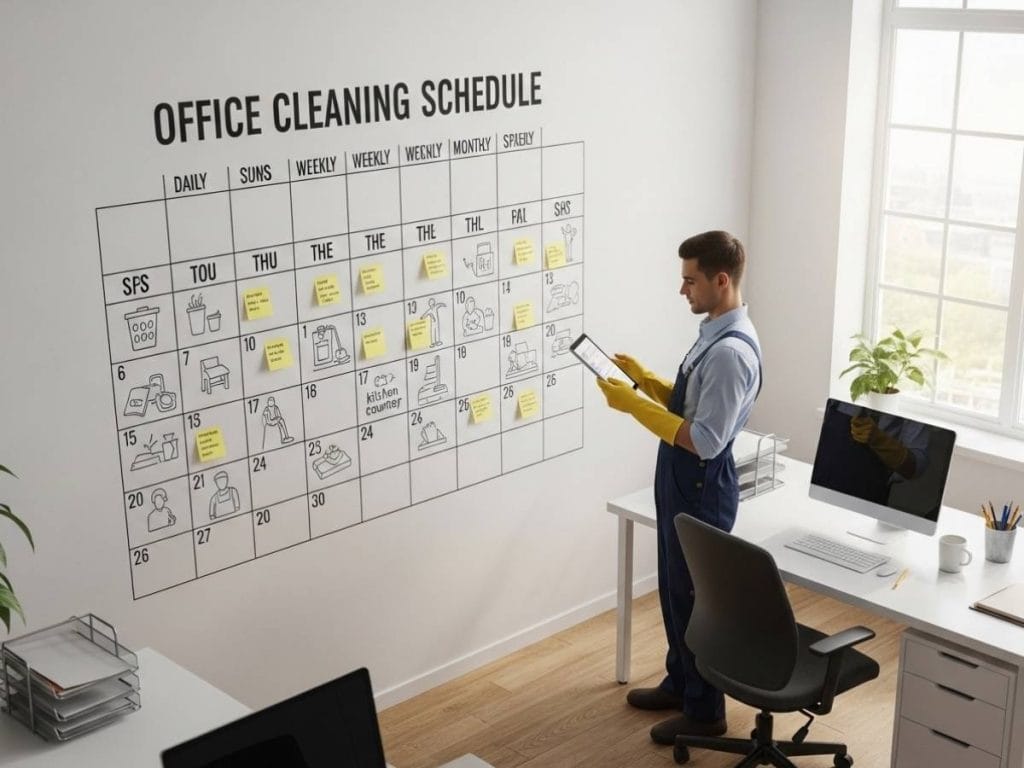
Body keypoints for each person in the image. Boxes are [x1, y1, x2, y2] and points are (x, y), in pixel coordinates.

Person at [597, 230, 762, 746]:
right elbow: (692, 406)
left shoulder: (731, 353)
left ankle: (705, 710)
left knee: (695, 598)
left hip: (700, 481)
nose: (682, 289)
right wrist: (645, 381)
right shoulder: (713, 331)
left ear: (721, 280)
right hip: (680, 476)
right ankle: (682, 682)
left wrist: (632, 406)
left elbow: (705, 439)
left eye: (690, 280)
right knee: (675, 588)